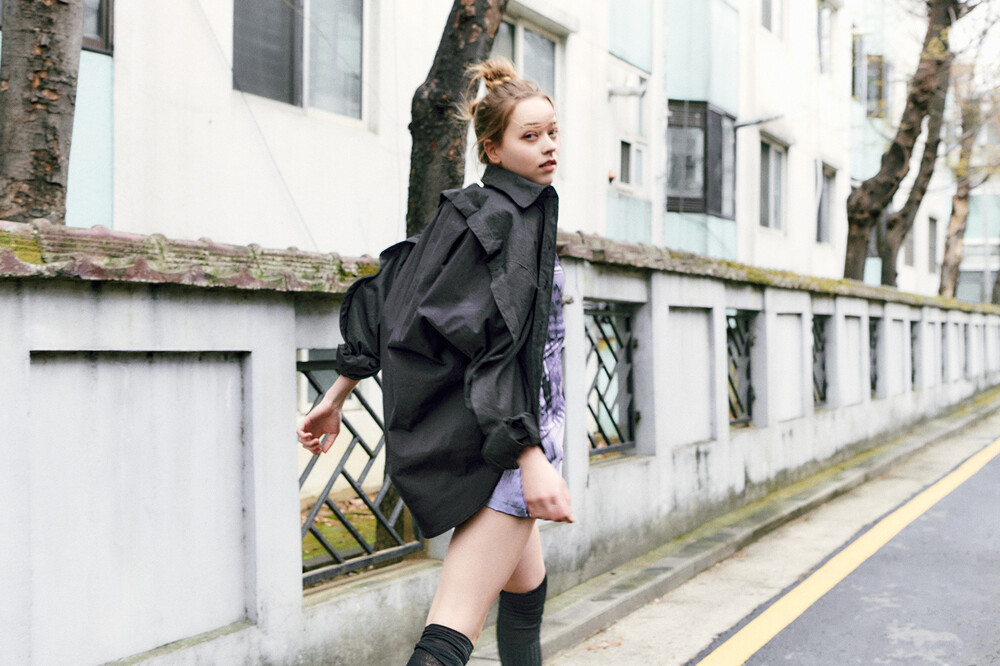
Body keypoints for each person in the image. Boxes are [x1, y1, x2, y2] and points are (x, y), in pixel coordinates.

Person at [297, 58, 572, 666]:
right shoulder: (502, 225)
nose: (549, 146)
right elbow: (494, 349)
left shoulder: (477, 210)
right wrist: (530, 458)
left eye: (553, 132)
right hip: (505, 443)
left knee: (526, 590)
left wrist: (336, 394)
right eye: (530, 136)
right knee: (451, 630)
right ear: (493, 150)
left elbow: (392, 289)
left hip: (503, 432)